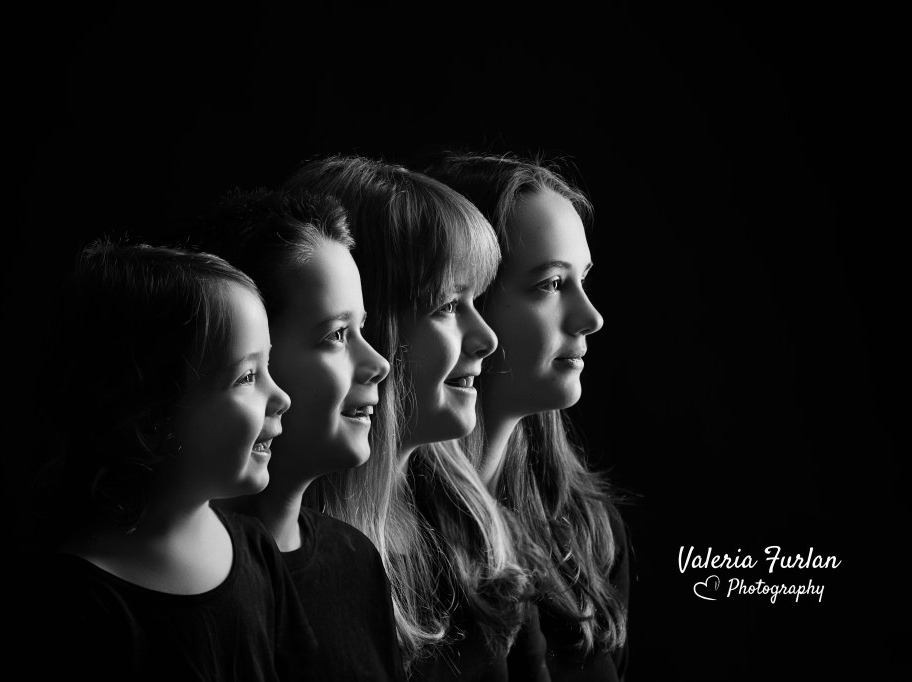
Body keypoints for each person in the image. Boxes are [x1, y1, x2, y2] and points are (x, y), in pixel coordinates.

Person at [284, 157, 542, 681]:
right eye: (448, 306)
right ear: (373, 322)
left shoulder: (475, 525)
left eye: (476, 300)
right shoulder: (284, 559)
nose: (486, 338)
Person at [20, 239, 315, 681]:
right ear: (153, 416)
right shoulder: (78, 605)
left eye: (268, 368)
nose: (281, 397)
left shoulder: (257, 550)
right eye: (248, 376)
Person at [423, 152, 630, 681]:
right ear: (467, 298)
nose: (591, 317)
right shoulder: (402, 547)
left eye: (583, 279)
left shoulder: (584, 527)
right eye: (551, 285)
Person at [190, 189, 405, 681]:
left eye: (363, 329)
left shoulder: (355, 561)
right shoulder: (175, 593)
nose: (379, 363)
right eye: (336, 335)